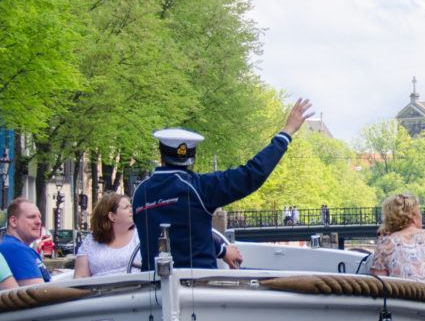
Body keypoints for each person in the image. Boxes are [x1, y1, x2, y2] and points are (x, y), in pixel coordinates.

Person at [134, 97, 313, 270]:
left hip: (153, 291)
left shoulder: (140, 194)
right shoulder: (199, 188)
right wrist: (286, 132)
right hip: (197, 288)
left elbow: (179, 229)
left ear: (161, 155)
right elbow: (251, 174)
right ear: (192, 158)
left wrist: (221, 249)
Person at [74, 193, 140, 278]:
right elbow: (81, 277)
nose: (132, 210)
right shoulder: (90, 242)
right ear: (112, 216)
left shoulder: (140, 236)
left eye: (131, 206)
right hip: (98, 290)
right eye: (126, 207)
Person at [0, 198, 49, 286]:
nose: (39, 222)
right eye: (32, 217)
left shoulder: (16, 246)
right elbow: (39, 292)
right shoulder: (15, 249)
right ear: (13, 221)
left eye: (39, 217)